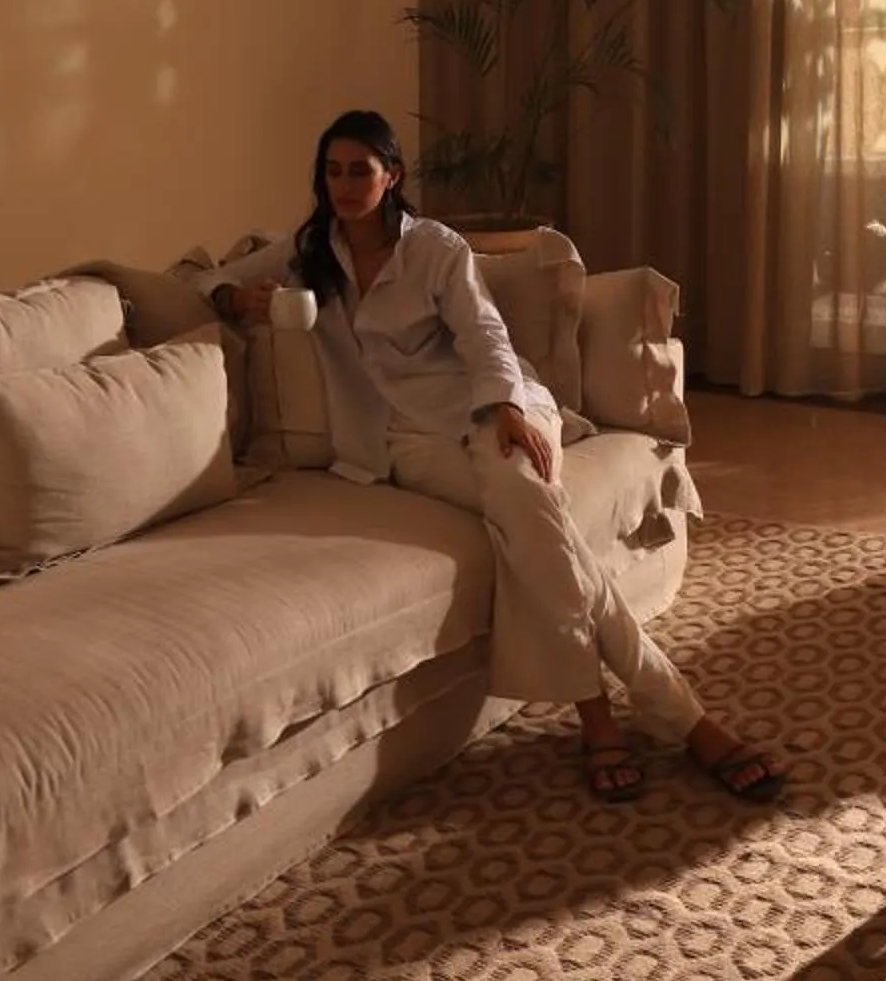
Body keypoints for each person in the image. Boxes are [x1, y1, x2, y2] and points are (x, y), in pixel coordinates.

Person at [208, 109, 785, 808]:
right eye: (333, 171)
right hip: (404, 444)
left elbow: (483, 332)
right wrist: (239, 298)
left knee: (531, 520)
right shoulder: (310, 258)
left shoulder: (435, 248)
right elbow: (204, 285)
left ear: (392, 176)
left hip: (495, 410)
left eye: (360, 169)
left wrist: (507, 407)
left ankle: (617, 720)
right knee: (541, 534)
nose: (344, 184)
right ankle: (676, 720)